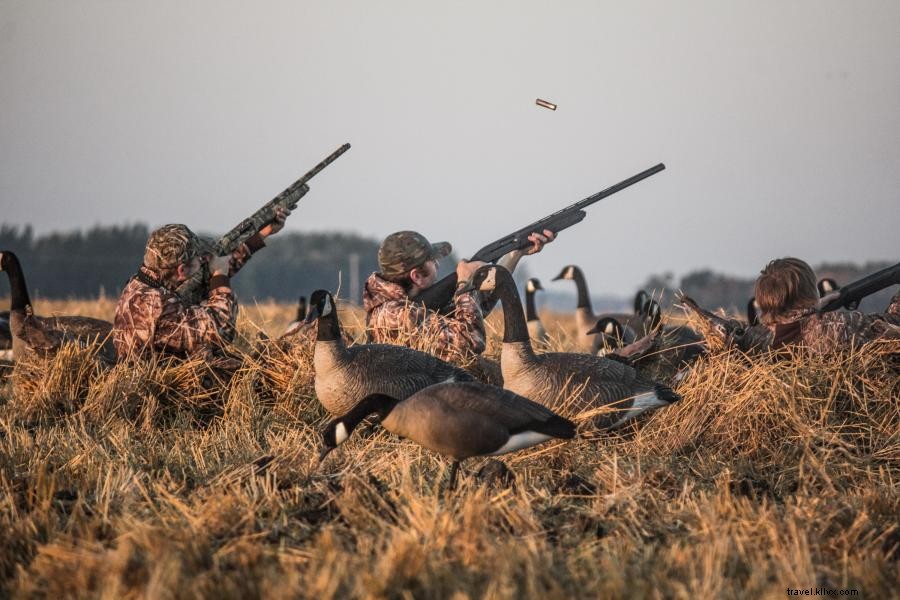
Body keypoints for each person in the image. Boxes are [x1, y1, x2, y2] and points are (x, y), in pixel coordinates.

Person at [113, 209, 287, 360]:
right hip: (171, 394)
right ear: (181, 271)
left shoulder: (141, 286)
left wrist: (261, 234)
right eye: (199, 258)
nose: (204, 260)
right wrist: (220, 275)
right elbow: (221, 329)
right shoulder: (160, 307)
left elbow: (203, 278)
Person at [363, 229, 554, 364]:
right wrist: (463, 282)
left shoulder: (409, 307)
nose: (438, 264)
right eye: (433, 261)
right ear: (417, 276)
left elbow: (476, 309)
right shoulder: (395, 314)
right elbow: (471, 342)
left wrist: (515, 253)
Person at [683, 257, 900, 354]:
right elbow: (893, 325)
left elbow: (730, 331)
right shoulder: (842, 325)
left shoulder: (757, 339)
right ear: (810, 293)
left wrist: (814, 307)